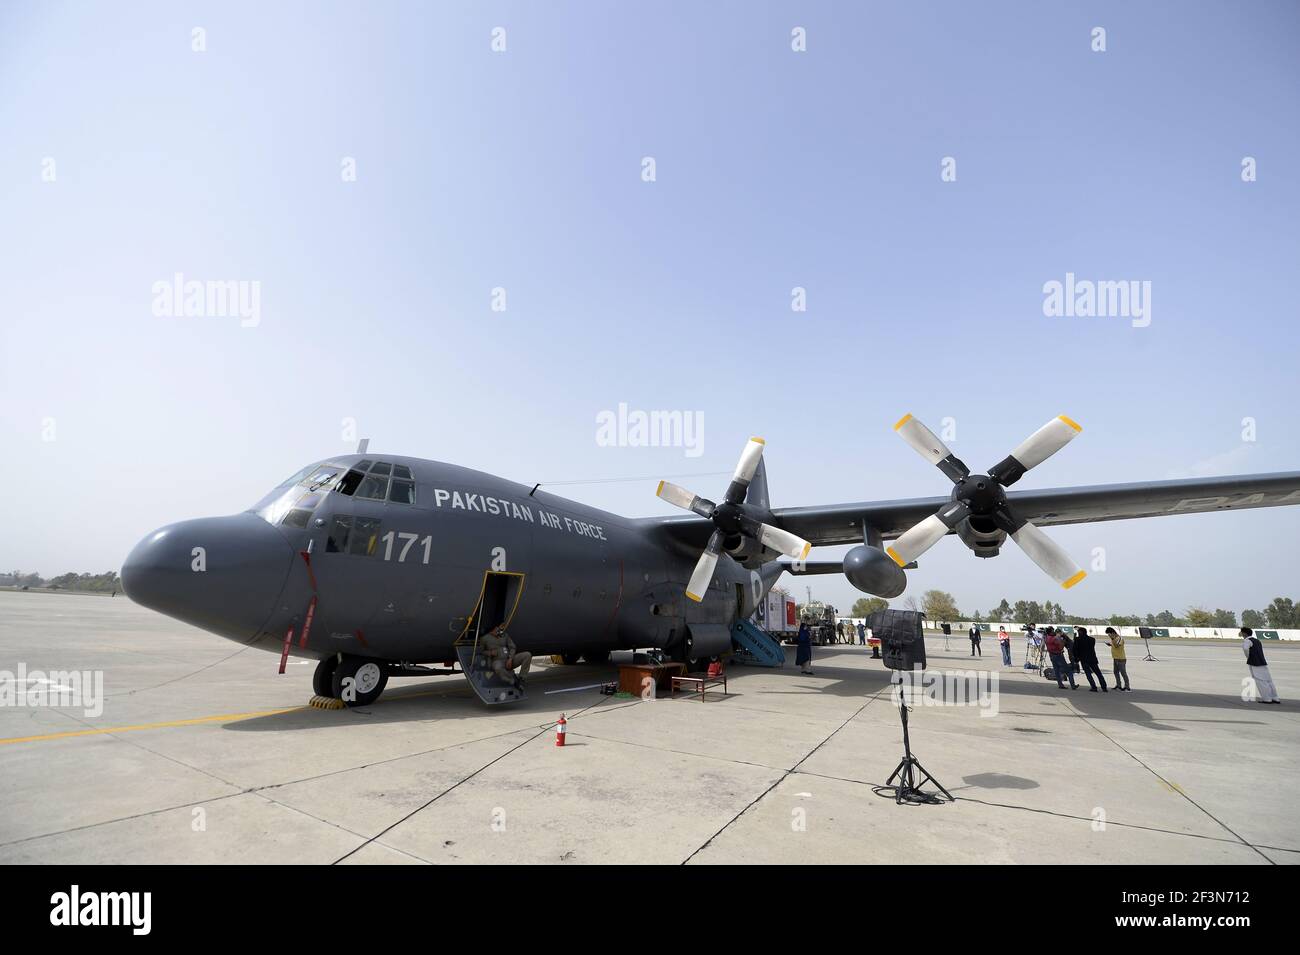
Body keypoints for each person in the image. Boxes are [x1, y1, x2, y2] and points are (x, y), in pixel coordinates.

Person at [479, 623, 531, 688]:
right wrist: (490, 652)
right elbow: (481, 651)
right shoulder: (484, 639)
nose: (499, 631)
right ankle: (513, 681)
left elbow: (512, 647)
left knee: (527, 655)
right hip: (497, 660)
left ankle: (521, 678)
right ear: (492, 630)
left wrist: (510, 658)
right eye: (496, 629)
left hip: (509, 659)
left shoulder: (505, 635)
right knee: (497, 667)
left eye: (498, 629)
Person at [1241, 627, 1280, 703]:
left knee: (1260, 681)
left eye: (1241, 632)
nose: (1241, 634)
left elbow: (1246, 649)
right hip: (1262, 662)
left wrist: (1249, 657)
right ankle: (1275, 697)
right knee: (1268, 681)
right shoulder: (1257, 640)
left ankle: (1267, 699)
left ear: (1244, 633)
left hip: (1255, 663)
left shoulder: (1247, 641)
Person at [1073, 626, 1108, 692]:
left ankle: (1094, 687)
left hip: (1084, 659)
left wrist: (1076, 659)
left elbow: (1075, 650)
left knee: (1088, 674)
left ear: (1080, 632)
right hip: (1092, 658)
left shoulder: (1077, 639)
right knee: (1098, 673)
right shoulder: (1092, 639)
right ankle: (1104, 687)